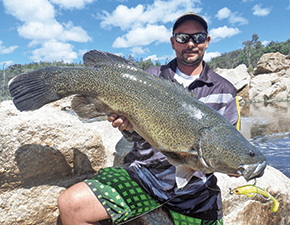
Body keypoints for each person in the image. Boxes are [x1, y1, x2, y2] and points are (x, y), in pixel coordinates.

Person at [57, 12, 241, 225]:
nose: (190, 43)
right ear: (173, 42)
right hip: (143, 177)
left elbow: (229, 145)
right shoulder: (152, 77)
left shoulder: (225, 90)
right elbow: (134, 135)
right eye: (183, 38)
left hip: (196, 193)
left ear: (207, 41)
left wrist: (236, 164)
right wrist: (125, 126)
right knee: (71, 205)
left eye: (198, 37)